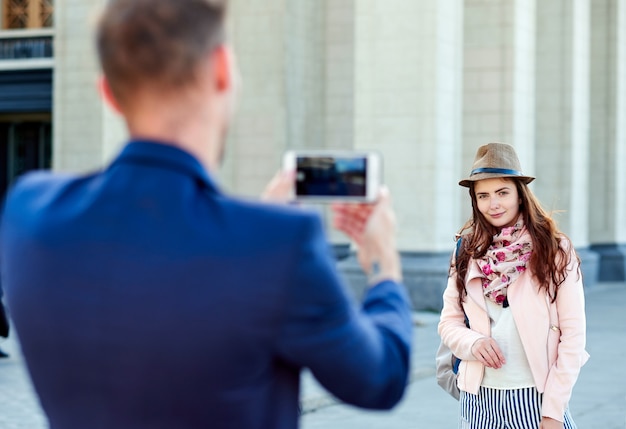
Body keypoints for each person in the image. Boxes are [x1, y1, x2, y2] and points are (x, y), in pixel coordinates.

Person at [0, 1, 413, 428]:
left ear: (108, 92)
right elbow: (380, 379)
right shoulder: (281, 245)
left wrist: (260, 237)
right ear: (221, 69)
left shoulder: (29, 210)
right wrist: (384, 265)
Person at [438, 143, 589, 429]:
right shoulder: (466, 250)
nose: (493, 204)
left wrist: (554, 411)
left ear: (520, 194)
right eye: (483, 195)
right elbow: (449, 322)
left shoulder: (554, 249)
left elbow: (573, 335)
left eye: (502, 193)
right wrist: (473, 342)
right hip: (479, 399)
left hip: (537, 396)